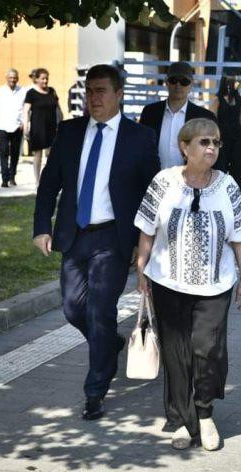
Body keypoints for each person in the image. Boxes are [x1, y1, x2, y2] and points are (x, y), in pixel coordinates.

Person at [33, 64, 160, 422]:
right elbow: (49, 183)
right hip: (74, 235)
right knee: (73, 309)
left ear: (119, 94)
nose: (94, 98)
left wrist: (144, 244)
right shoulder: (70, 131)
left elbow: (151, 194)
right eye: (89, 91)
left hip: (113, 238)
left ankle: (95, 391)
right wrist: (41, 227)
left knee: (100, 311)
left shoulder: (139, 137)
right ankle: (110, 345)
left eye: (101, 91)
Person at [135, 118, 241, 451]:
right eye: (204, 142)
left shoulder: (227, 185)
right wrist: (141, 268)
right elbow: (146, 228)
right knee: (177, 354)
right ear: (184, 147)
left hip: (215, 285)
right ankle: (185, 421)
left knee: (208, 349)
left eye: (216, 142)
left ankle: (205, 413)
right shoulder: (164, 181)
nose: (211, 148)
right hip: (168, 283)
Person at [139, 61, 217, 171]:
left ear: (191, 84)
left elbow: (213, 156)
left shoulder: (204, 117)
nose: (178, 85)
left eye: (184, 81)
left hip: (193, 179)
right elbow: (140, 150)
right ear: (166, 82)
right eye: (173, 80)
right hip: (154, 179)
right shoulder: (150, 113)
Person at [23, 68, 63, 185]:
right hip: (38, 128)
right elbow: (26, 111)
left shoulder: (52, 91)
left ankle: (50, 179)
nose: (45, 81)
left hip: (51, 127)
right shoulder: (31, 93)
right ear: (36, 79)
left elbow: (58, 108)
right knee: (38, 155)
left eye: (46, 78)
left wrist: (62, 122)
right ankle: (37, 181)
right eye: (42, 79)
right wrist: (26, 127)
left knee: (51, 154)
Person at [0, 69, 27, 187]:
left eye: (14, 78)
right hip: (2, 126)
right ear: (6, 78)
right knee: (3, 152)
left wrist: (24, 122)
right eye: (10, 77)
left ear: (18, 78)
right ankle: (4, 179)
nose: (12, 80)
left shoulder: (23, 91)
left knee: (15, 153)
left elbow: (25, 109)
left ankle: (12, 177)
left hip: (17, 126)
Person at [215, 75, 241, 189]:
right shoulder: (218, 99)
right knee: (220, 167)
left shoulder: (239, 99)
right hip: (222, 137)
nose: (237, 84)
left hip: (238, 138)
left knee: (238, 168)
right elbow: (212, 118)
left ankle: (237, 193)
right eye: (235, 82)